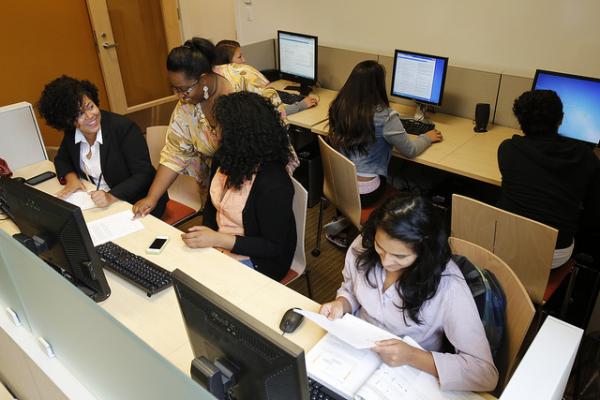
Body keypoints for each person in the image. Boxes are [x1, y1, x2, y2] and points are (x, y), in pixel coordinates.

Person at [319, 194, 499, 392]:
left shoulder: (448, 286)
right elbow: (351, 287)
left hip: (408, 374)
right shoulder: (365, 244)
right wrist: (342, 303)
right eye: (380, 247)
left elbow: (485, 374)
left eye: (400, 256)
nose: (386, 262)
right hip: (355, 350)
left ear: (424, 252)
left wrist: (412, 356)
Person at [132, 37, 293, 218]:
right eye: (175, 89)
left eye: (184, 89)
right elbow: (175, 153)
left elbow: (275, 133)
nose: (180, 96)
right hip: (218, 186)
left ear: (204, 79)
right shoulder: (186, 108)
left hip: (260, 181)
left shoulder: (246, 82)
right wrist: (151, 198)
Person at [181, 92, 296, 281]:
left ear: (239, 134)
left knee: (201, 286)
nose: (214, 131)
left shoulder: (274, 183)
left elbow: (273, 247)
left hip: (261, 259)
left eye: (218, 126)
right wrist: (206, 240)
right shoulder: (224, 158)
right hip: (220, 243)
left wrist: (217, 240)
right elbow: (211, 210)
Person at [38, 75, 167, 216]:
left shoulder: (124, 128)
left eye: (90, 106)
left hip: (136, 203)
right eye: (80, 114)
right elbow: (62, 159)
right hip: (98, 205)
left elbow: (143, 174)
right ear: (68, 121)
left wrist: (110, 196)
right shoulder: (72, 132)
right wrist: (72, 180)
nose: (90, 116)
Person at [498, 90, 600, 268]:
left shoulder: (507, 149)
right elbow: (593, 212)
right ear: (561, 119)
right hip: (556, 254)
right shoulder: (586, 158)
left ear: (519, 120)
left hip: (509, 243)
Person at [328, 60, 443, 208]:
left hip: (340, 185)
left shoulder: (339, 107)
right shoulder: (386, 116)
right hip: (366, 194)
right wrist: (427, 137)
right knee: (406, 183)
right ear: (379, 85)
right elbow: (411, 151)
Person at [213, 39, 318, 115]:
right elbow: (275, 113)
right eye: (240, 57)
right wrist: (301, 105)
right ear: (227, 63)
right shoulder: (244, 85)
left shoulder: (217, 85)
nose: (244, 60)